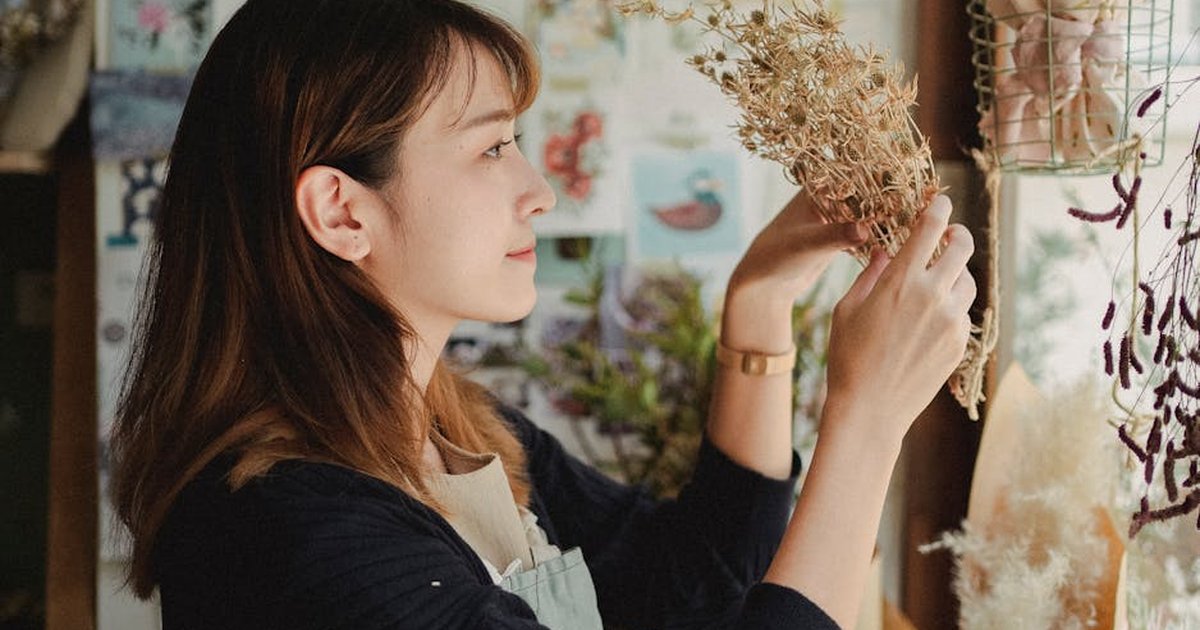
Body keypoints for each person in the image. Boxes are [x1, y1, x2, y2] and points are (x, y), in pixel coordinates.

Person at [109, 0, 976, 628]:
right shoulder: (299, 538)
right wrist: (864, 426)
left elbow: (694, 583)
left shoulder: (455, 430)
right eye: (492, 147)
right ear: (343, 212)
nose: (540, 191)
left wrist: (760, 301)